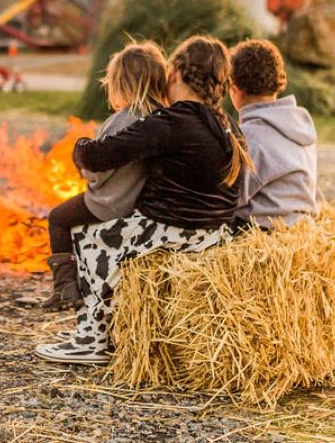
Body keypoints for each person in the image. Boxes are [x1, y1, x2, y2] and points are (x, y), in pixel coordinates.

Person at [35, 35, 252, 364]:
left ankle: (92, 338)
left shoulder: (172, 122)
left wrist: (79, 145)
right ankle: (112, 328)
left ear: (175, 72)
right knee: (107, 231)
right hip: (215, 230)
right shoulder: (226, 123)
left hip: (175, 228)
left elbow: (98, 156)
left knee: (91, 236)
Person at [41, 41, 168, 310]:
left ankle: (65, 287)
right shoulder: (163, 117)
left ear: (121, 84)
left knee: (58, 218)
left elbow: (97, 173)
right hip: (139, 204)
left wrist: (85, 171)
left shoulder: (123, 120)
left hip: (110, 203)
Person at [229, 39, 318, 230]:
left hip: (265, 230)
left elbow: (234, 197)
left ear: (235, 90)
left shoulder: (249, 137)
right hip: (301, 225)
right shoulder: (299, 124)